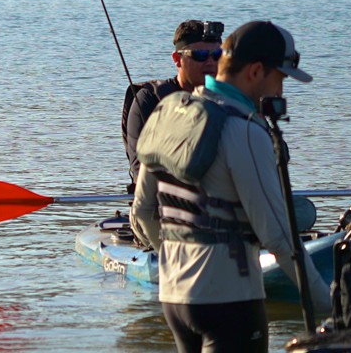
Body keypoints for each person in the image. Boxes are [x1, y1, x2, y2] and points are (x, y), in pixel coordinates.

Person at [130, 20, 332, 352]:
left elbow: (142, 213)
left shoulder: (167, 111)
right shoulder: (246, 132)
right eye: (280, 77)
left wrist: (173, 267)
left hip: (175, 299)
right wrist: (329, 305)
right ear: (255, 71)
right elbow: (279, 237)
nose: (281, 90)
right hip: (229, 301)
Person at [123, 20, 225, 191]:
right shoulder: (150, 99)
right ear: (177, 59)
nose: (210, 62)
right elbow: (140, 167)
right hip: (167, 206)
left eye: (216, 55)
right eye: (200, 55)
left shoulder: (230, 100)